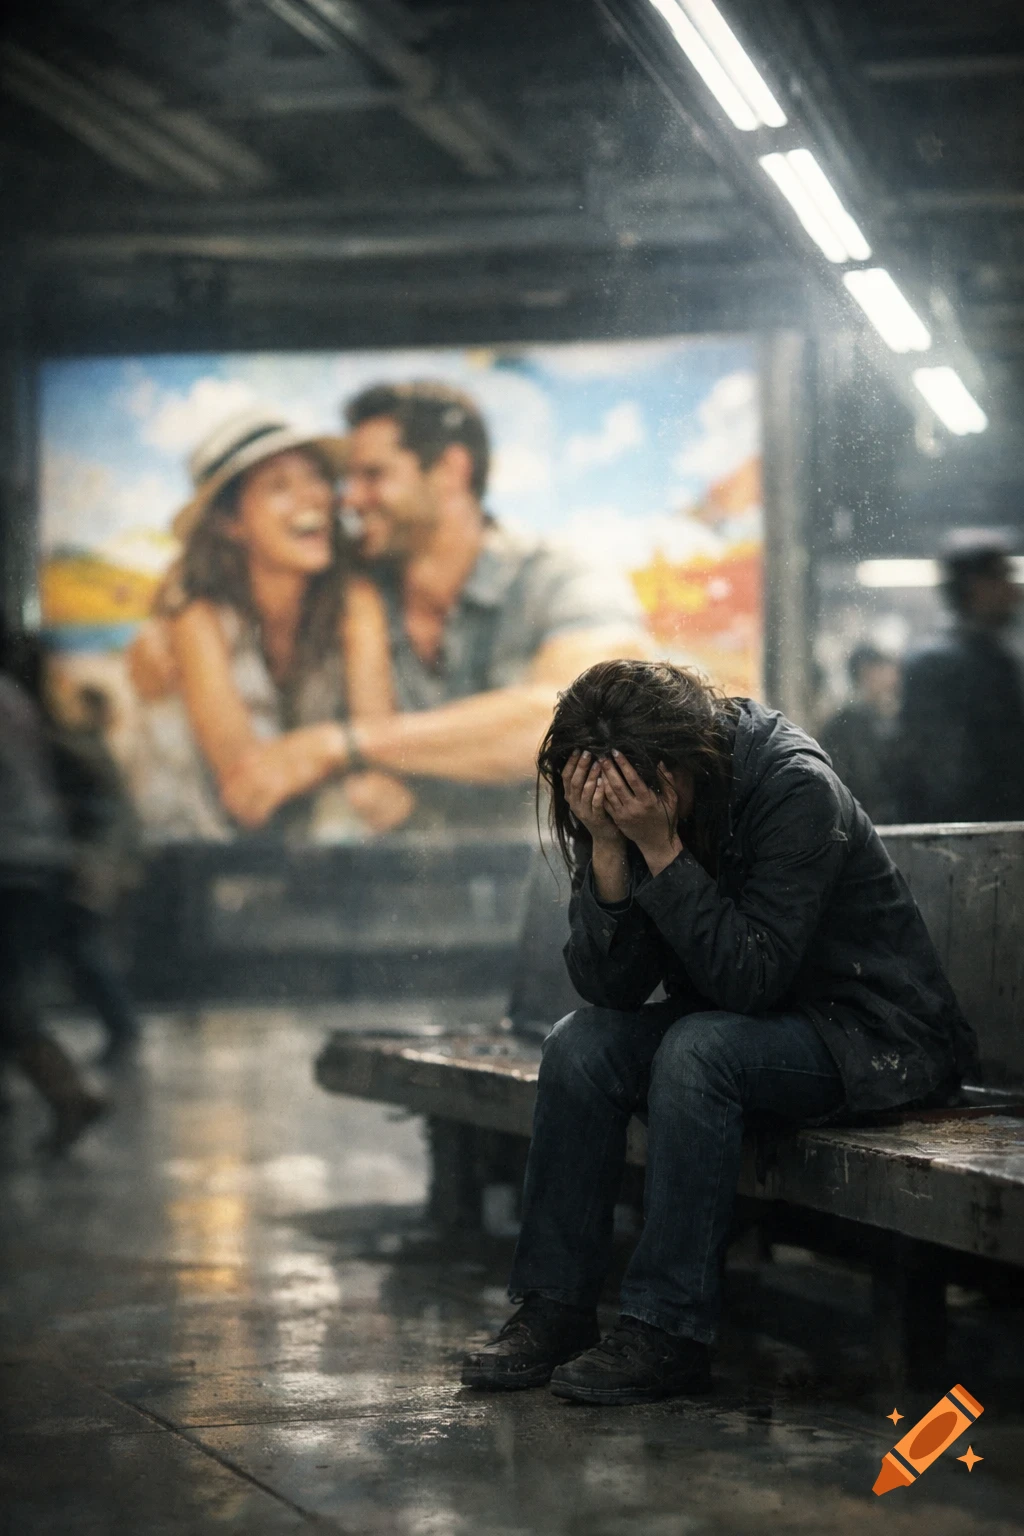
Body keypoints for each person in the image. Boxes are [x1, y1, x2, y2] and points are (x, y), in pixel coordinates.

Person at [461, 660, 978, 1405]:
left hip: (871, 1033)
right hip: (755, 1026)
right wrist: (610, 851)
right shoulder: (634, 795)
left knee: (697, 1051)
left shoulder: (793, 787)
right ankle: (555, 1308)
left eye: (630, 800)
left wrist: (662, 851)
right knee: (580, 1045)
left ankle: (667, 1331)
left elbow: (752, 979)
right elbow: (610, 990)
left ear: (679, 770)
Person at [130, 383, 651, 835]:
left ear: (449, 471)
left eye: (372, 475)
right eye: (347, 480)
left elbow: (580, 723)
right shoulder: (356, 586)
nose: (346, 499)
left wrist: (339, 746)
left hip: (536, 889)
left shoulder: (558, 576)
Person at [128, 408, 411, 840]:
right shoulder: (195, 613)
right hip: (194, 854)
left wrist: (351, 767)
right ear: (230, 523)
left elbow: (383, 757)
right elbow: (248, 791)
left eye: (317, 477)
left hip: (305, 855)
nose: (312, 497)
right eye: (278, 485)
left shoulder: (354, 600)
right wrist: (342, 759)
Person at [0, 627, 107, 1155]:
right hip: (33, 862)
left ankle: (68, 1093)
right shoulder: (18, 700)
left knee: (8, 997)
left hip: (15, 865)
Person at [895, 529, 1024, 823]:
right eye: (1003, 577)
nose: (1015, 592)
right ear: (977, 587)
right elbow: (942, 777)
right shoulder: (938, 664)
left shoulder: (998, 658)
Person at [49, 685, 143, 1066]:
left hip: (92, 866)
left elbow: (109, 819)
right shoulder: (92, 750)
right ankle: (121, 1028)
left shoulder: (80, 750)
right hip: (98, 865)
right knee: (85, 947)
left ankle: (121, 1028)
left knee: (84, 947)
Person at [817, 643, 899, 823]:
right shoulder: (846, 722)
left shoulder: (886, 718)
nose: (893, 676)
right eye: (884, 668)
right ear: (866, 672)